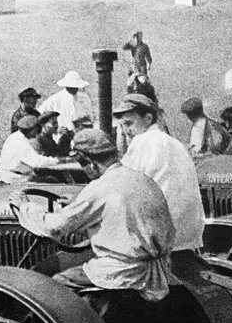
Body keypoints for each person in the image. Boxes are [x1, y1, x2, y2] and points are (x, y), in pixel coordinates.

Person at [15, 128, 175, 301]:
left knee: (56, 284)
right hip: (159, 268)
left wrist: (25, 208)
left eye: (82, 164)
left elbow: (56, 227)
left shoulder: (99, 188)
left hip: (123, 271)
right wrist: (77, 204)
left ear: (89, 162)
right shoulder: (143, 179)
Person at [115, 93, 206, 274]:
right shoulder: (175, 143)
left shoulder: (142, 142)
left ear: (148, 118)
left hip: (158, 240)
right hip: (188, 237)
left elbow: (119, 187)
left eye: (129, 123)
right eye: (122, 126)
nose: (126, 131)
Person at [0, 115, 68, 183]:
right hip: (14, 178)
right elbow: (37, 162)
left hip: (14, 175)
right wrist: (57, 160)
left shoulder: (14, 136)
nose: (36, 134)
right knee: (52, 181)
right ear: (31, 129)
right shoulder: (21, 143)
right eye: (35, 130)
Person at [38, 71, 93, 135]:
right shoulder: (55, 99)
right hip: (62, 137)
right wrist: (56, 129)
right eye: (71, 87)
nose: (74, 89)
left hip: (80, 135)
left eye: (76, 87)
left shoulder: (84, 97)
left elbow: (90, 116)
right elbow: (39, 115)